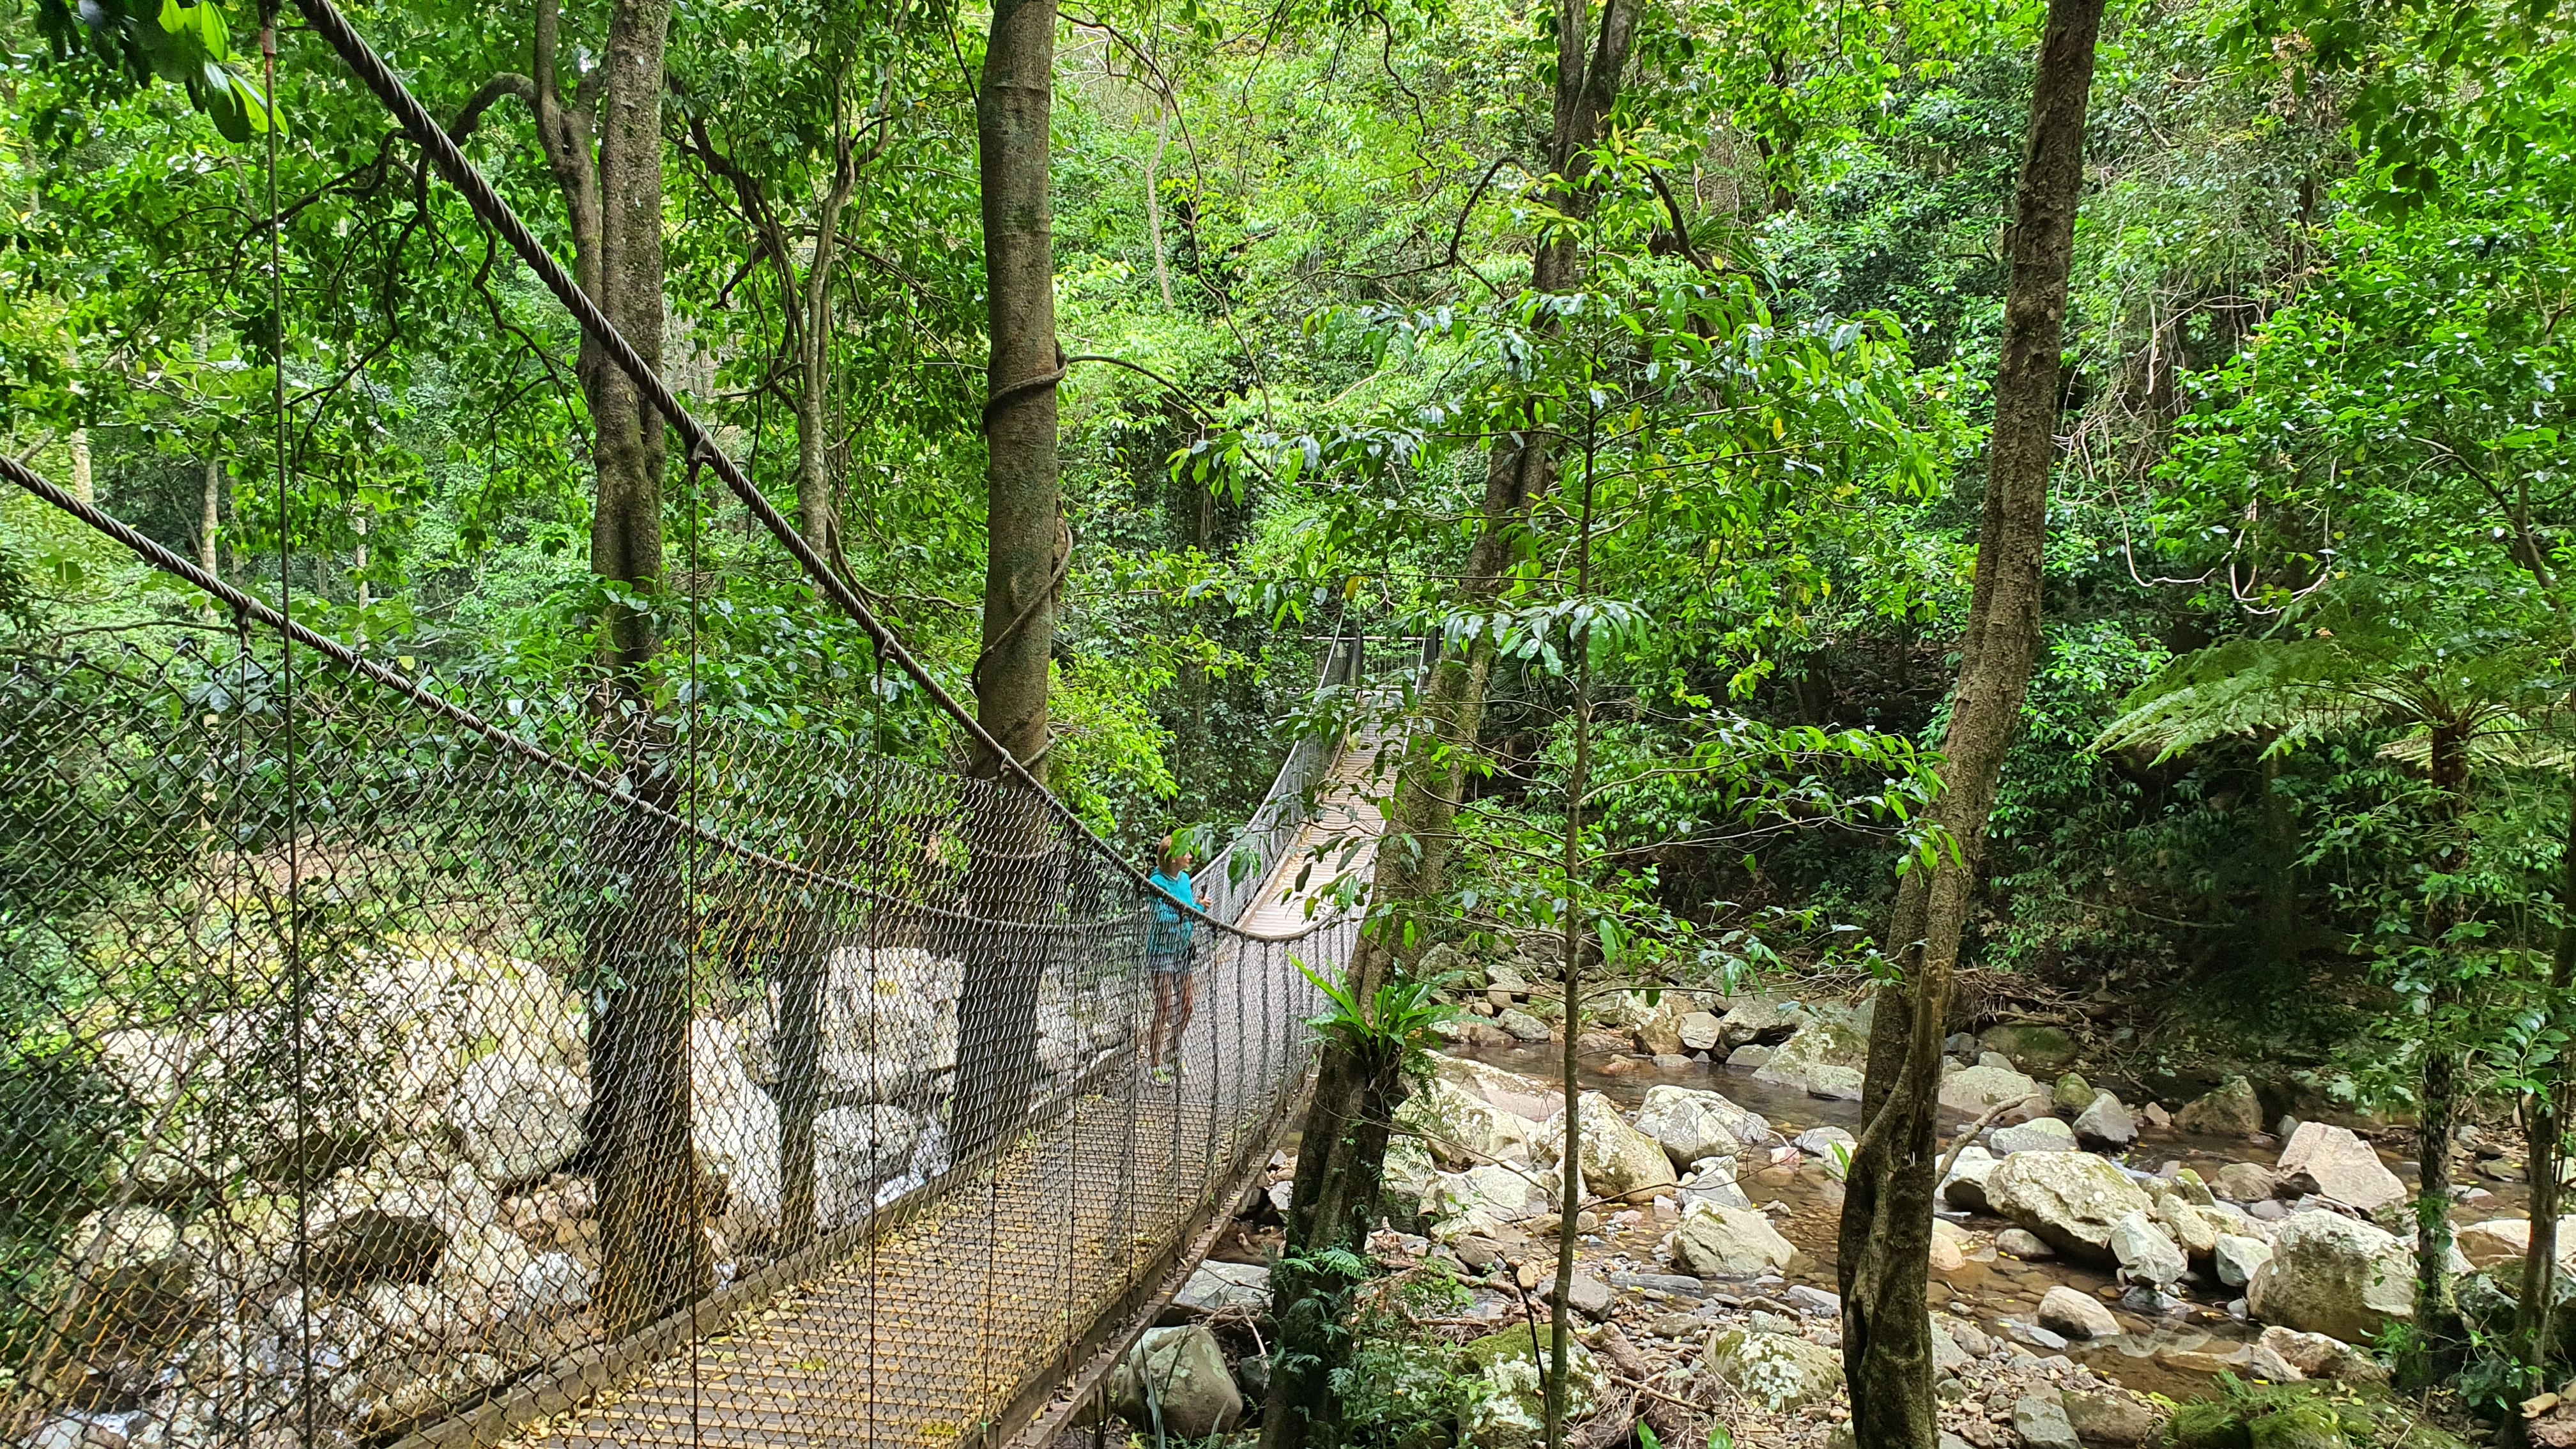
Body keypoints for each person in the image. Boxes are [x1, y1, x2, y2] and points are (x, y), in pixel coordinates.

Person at [1145, 833, 1202, 1083]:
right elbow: (1162, 917)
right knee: (1164, 1006)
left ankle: (1173, 1052)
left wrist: (1199, 908)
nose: (1190, 856)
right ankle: (1155, 1063)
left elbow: (1189, 910)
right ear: (1172, 858)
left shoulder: (1185, 880)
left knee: (1187, 1004)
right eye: (1185, 853)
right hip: (1161, 950)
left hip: (1182, 949)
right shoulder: (1156, 882)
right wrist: (1188, 912)